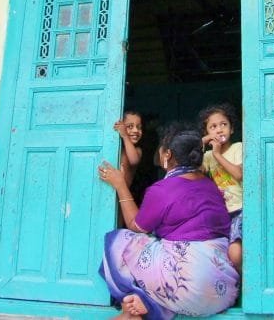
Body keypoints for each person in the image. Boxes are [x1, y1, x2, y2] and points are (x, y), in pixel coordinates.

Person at [98, 124, 239, 319]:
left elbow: (136, 225)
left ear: (167, 155)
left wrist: (120, 184)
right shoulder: (210, 185)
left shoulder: (163, 189)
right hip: (224, 293)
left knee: (119, 240)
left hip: (190, 290)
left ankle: (134, 302)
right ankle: (147, 304)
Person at [199, 103, 243, 275]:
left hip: (239, 209)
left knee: (235, 253)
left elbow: (239, 174)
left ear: (231, 129)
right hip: (222, 213)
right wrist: (201, 142)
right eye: (213, 127)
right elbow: (193, 168)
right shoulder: (207, 157)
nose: (219, 130)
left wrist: (217, 154)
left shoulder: (237, 147)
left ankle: (244, 285)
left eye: (223, 124)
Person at [114, 111, 143, 187]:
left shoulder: (137, 150)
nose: (136, 130)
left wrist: (125, 136)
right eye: (130, 126)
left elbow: (134, 160)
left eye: (139, 127)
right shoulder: (116, 147)